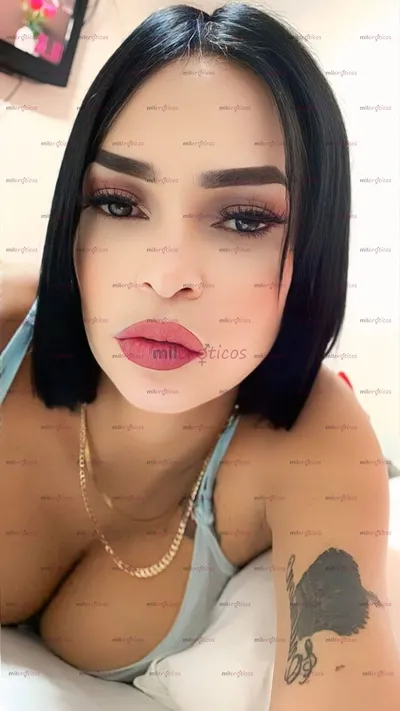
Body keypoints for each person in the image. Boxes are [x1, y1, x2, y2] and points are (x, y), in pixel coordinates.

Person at [1, 4, 399, 708]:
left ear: (313, 249)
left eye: (244, 219)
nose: (166, 275)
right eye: (118, 203)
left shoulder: (320, 446)